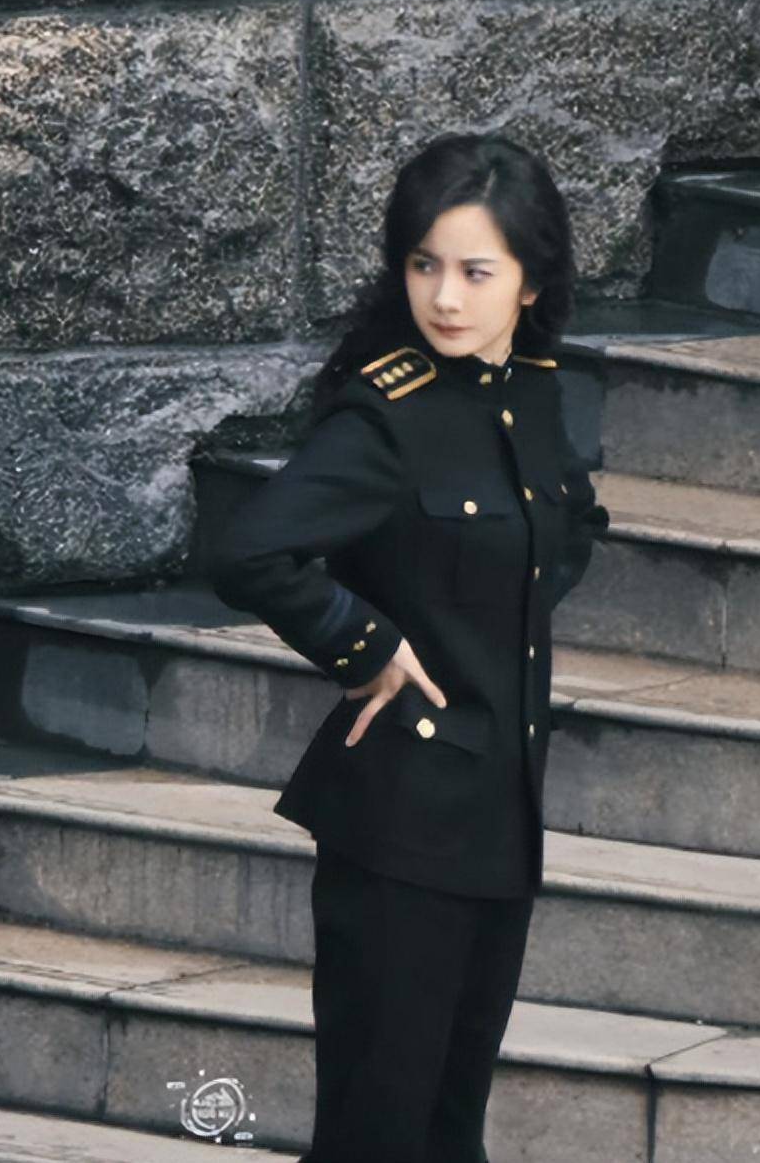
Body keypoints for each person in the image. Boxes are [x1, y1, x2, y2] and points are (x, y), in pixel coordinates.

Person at [204, 132, 611, 1162]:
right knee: (376, 1132)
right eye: (424, 265)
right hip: (397, 825)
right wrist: (367, 641)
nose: (445, 297)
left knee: (449, 1132)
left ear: (529, 283)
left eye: (476, 271)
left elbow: (571, 524)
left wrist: (478, 614)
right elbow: (248, 549)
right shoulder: (387, 415)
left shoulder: (533, 391)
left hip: (499, 819)